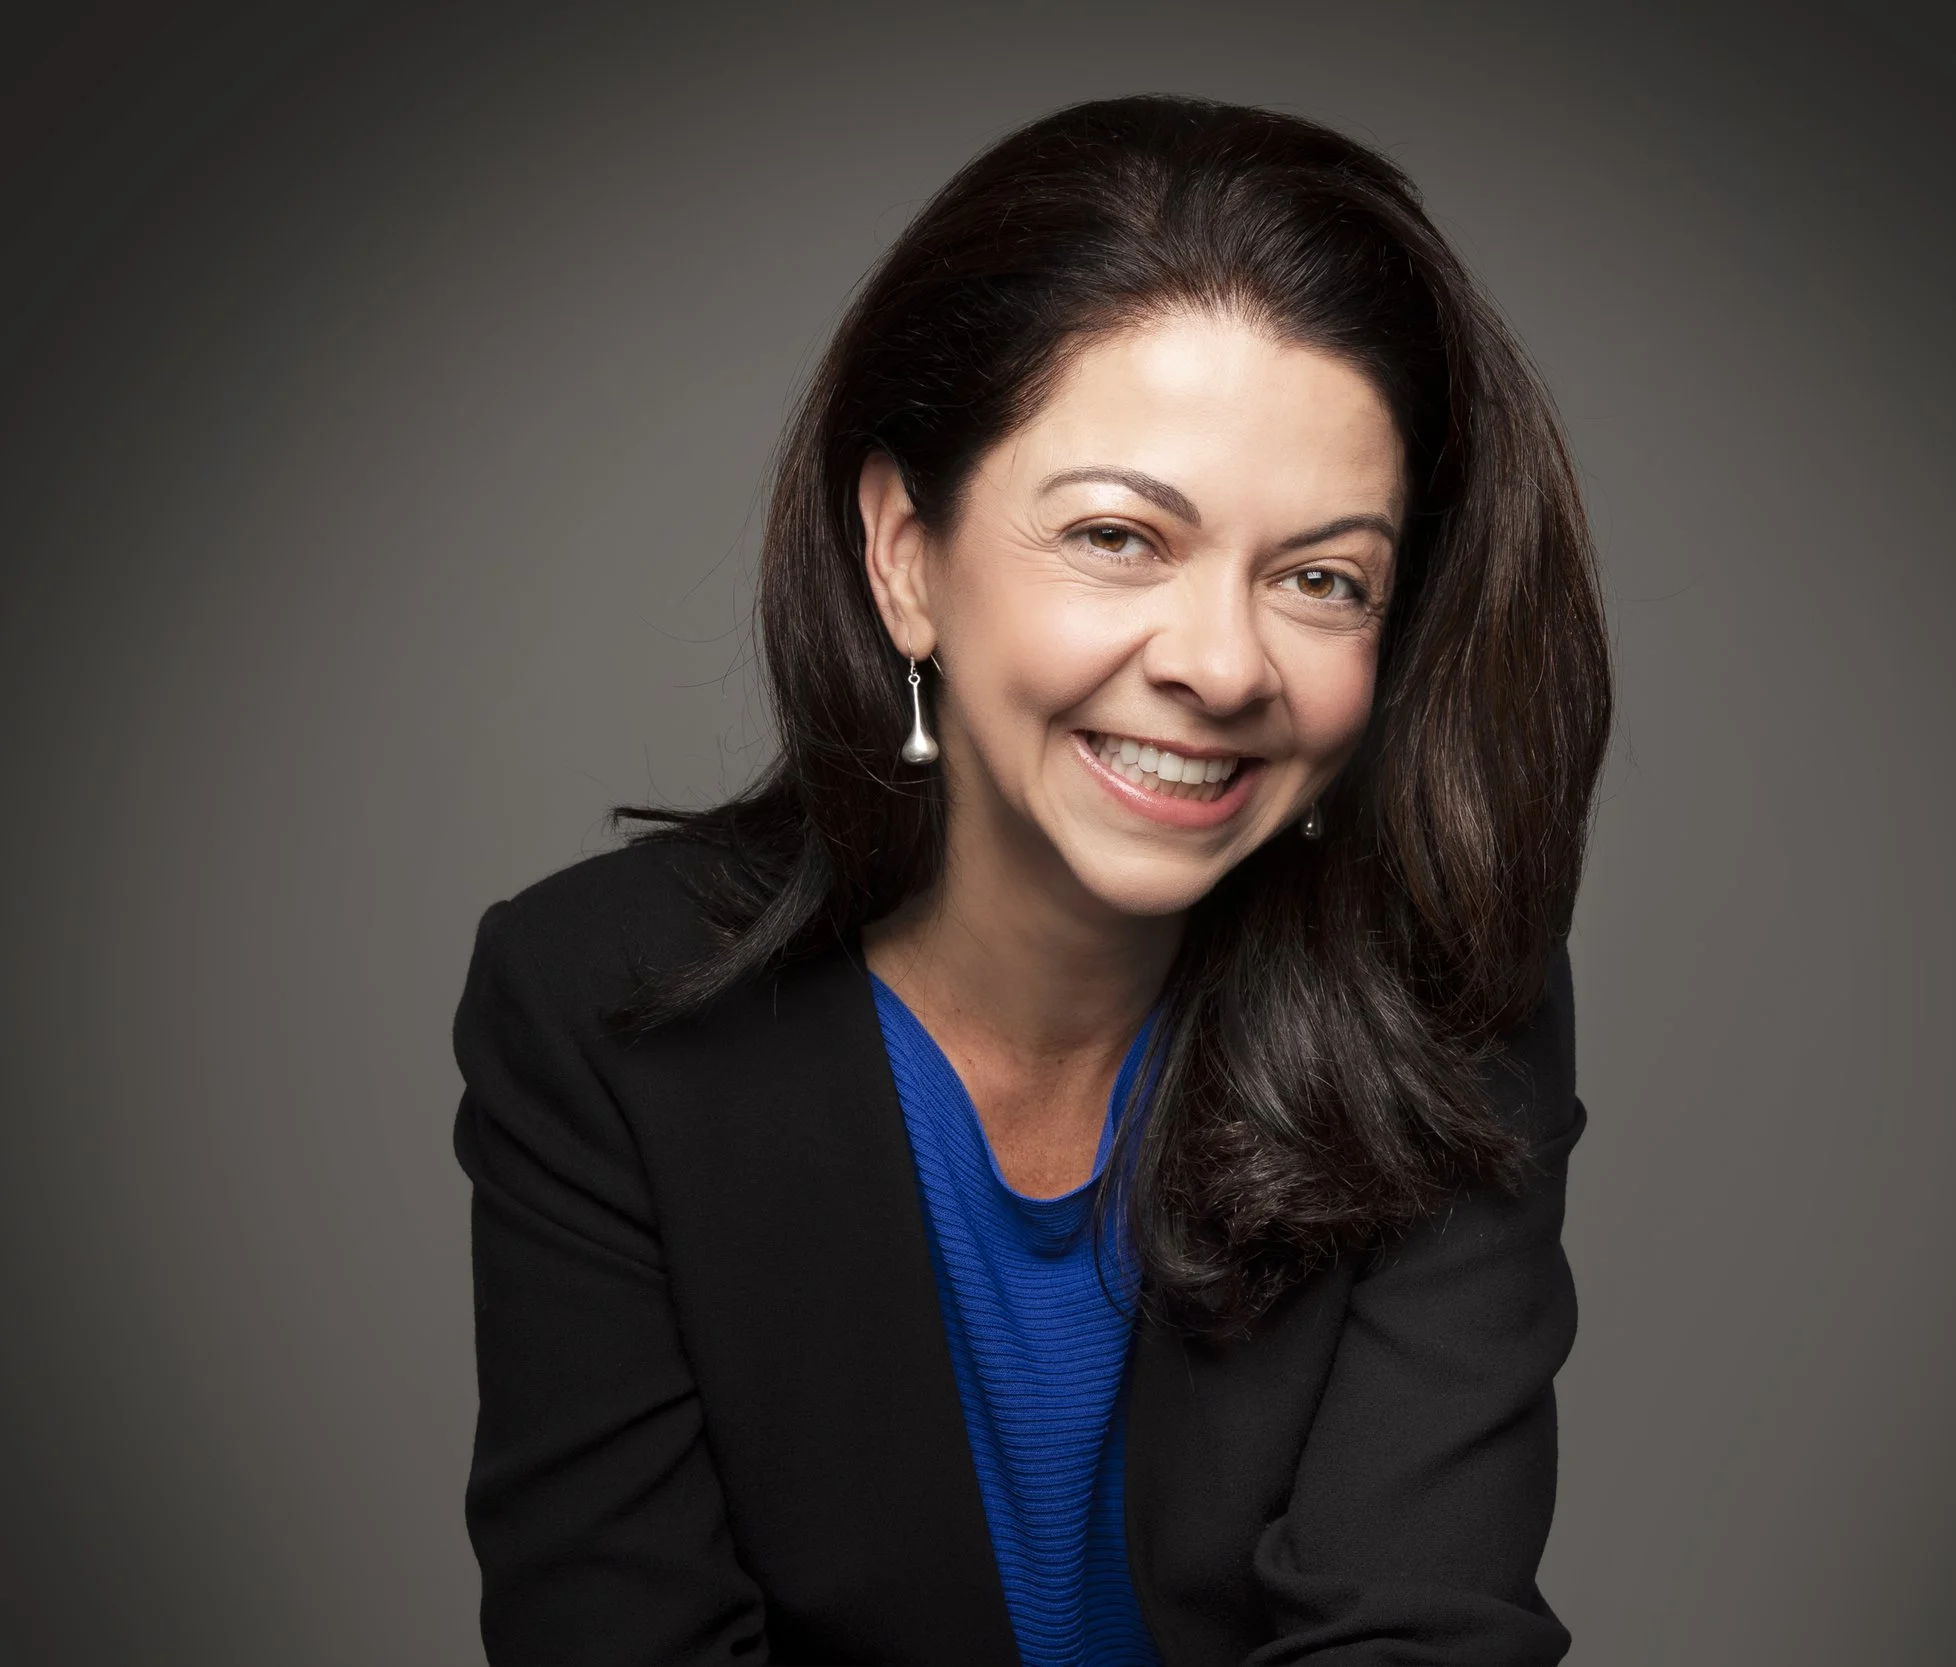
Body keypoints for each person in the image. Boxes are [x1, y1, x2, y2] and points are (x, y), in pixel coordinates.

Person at [450, 94, 1612, 1666]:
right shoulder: (598, 1014)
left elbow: (1420, 1634)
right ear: (904, 557)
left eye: (1322, 577)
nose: (1220, 664)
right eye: (1120, 536)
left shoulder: (1445, 992)